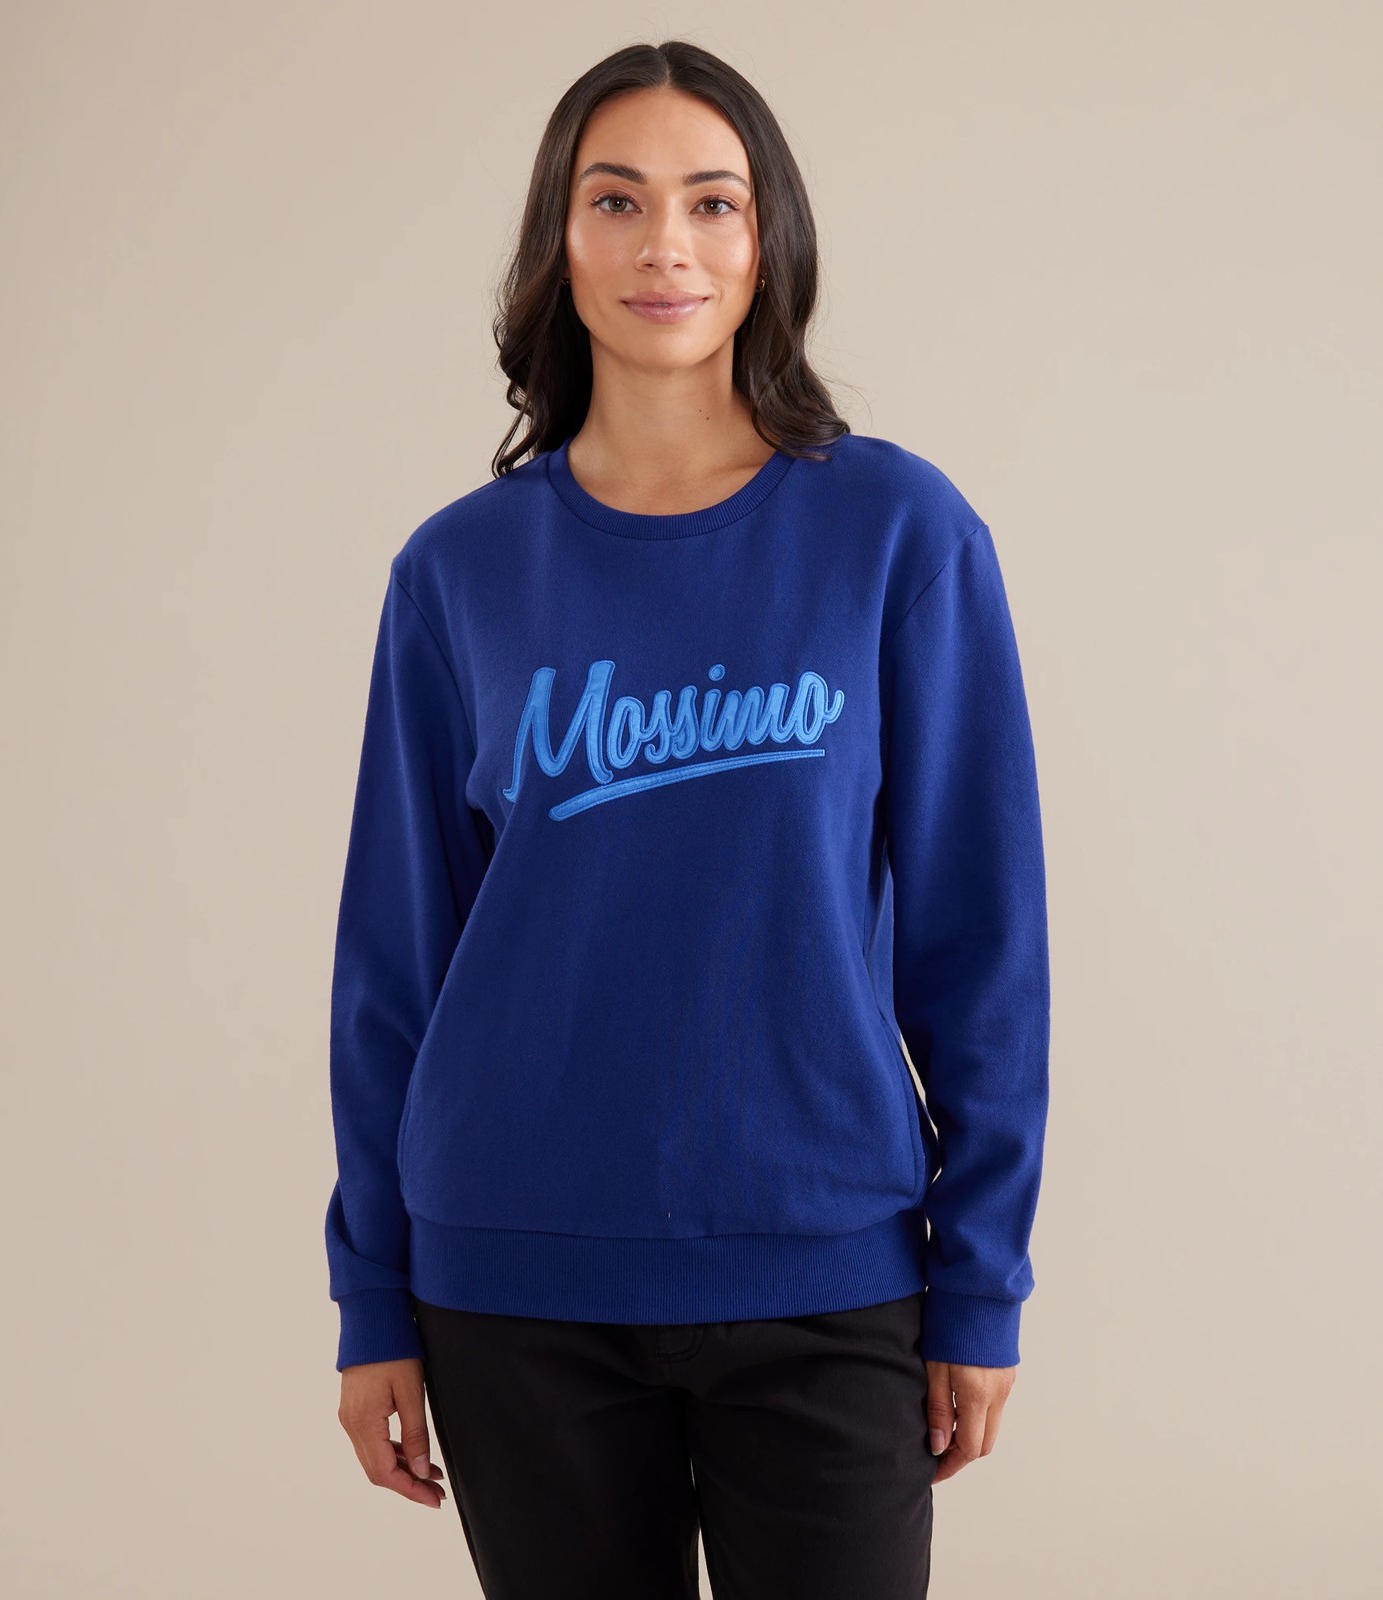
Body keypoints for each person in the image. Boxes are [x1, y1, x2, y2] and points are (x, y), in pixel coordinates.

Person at [324, 37, 1050, 1600]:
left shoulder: (898, 535)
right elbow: (395, 961)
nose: (668, 243)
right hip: (512, 1279)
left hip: (828, 1263)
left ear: (768, 240)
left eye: (713, 202)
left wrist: (982, 1278)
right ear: (559, 241)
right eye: (619, 200)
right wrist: (372, 1294)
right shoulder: (457, 573)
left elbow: (984, 939)